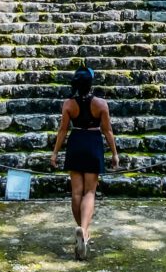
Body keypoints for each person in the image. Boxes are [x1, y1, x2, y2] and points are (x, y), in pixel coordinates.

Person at [51, 65, 119, 260]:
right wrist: (114, 154)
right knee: (90, 192)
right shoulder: (100, 104)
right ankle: (85, 231)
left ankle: (81, 229)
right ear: (90, 83)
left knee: (76, 192)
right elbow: (107, 131)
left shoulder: (68, 104)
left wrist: (54, 154)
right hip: (92, 142)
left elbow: (62, 130)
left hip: (76, 142)